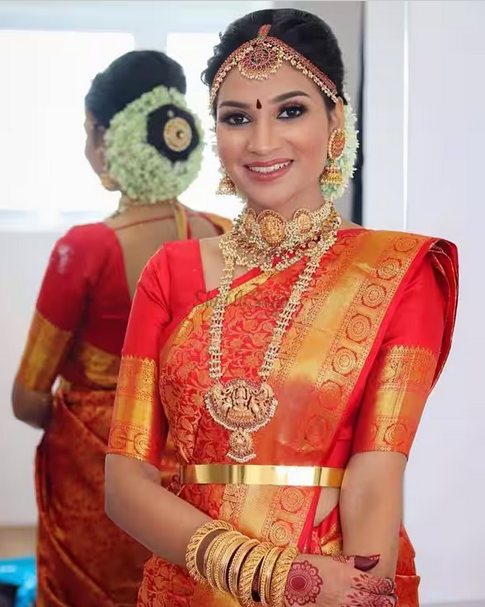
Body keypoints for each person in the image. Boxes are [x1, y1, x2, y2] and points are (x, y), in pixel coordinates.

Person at [105, 10, 458, 607]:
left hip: (335, 578)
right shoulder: (171, 271)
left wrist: (343, 592)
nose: (263, 143)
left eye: (290, 111)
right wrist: (270, 575)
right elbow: (124, 483)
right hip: (190, 586)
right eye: (237, 118)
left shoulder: (398, 272)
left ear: (335, 118)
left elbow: (374, 481)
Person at [12, 50, 231, 607]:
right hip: (197, 469)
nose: (89, 148)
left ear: (119, 138)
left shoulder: (85, 249)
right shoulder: (224, 234)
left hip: (102, 476)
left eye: (91, 132)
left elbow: (27, 397)